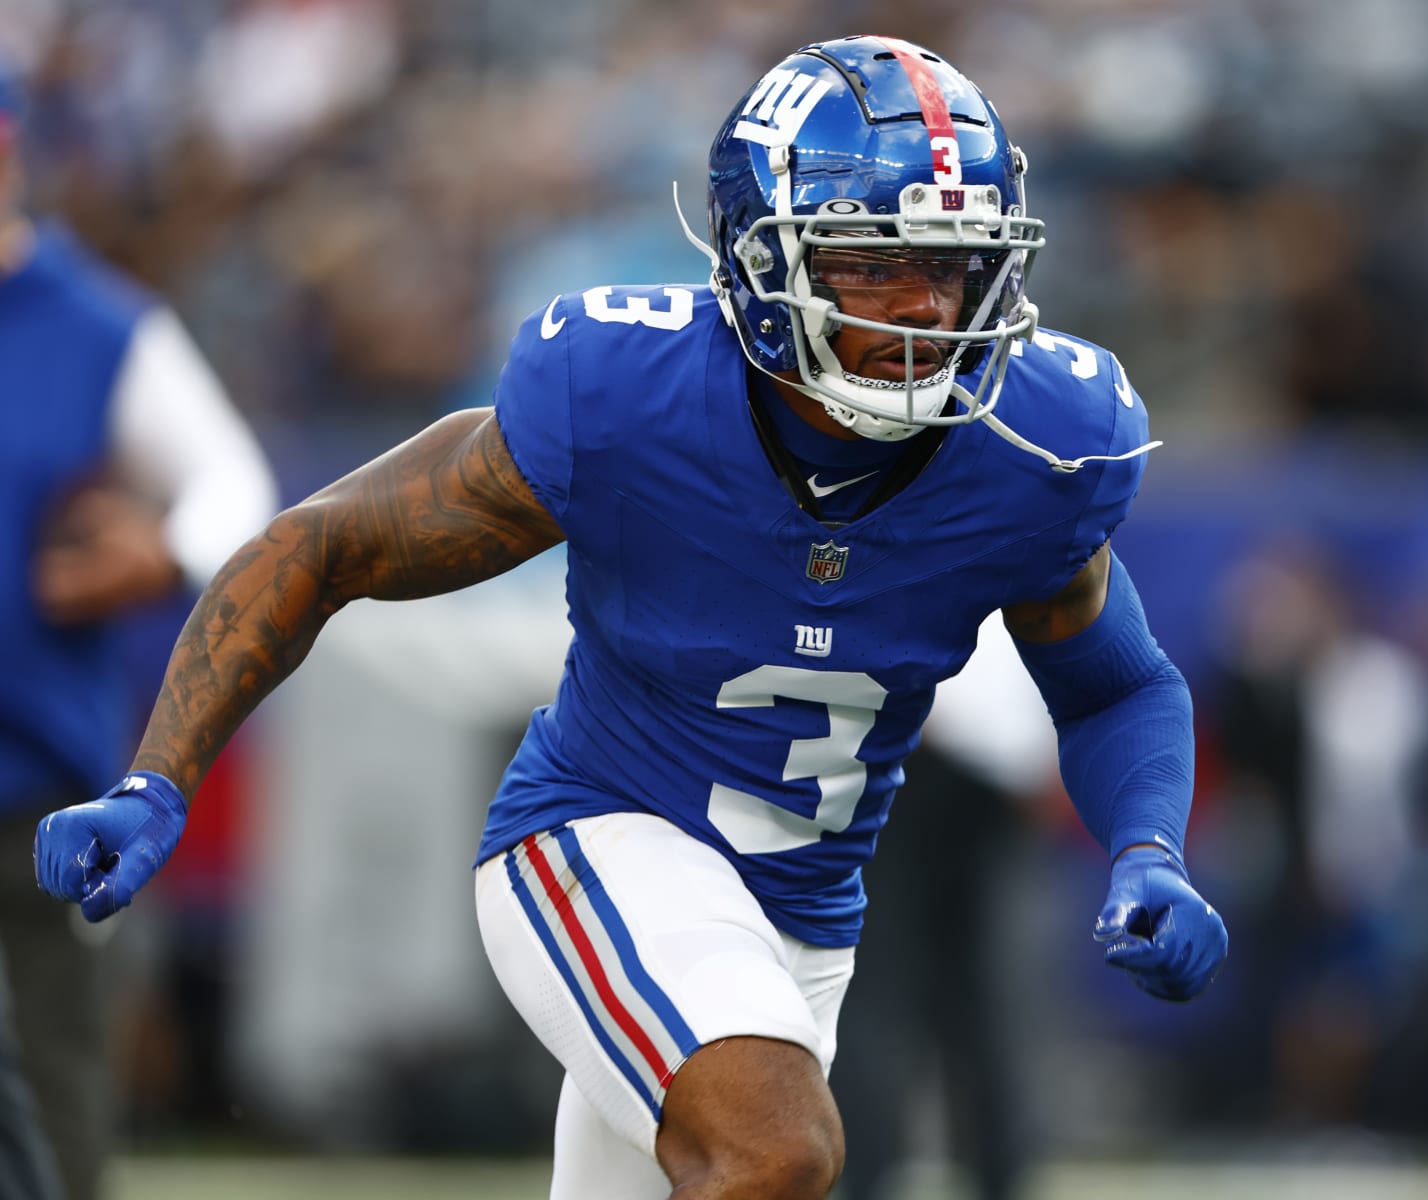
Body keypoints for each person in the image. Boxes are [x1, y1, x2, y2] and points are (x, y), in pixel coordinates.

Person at [33, 36, 1228, 1198]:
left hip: (806, 918)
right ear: (762, 256)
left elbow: (1115, 681)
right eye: (874, 264)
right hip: (601, 836)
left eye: (953, 265)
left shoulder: (1037, 444)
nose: (924, 307)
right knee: (777, 1151)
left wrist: (1148, 849)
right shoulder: (627, 397)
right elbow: (324, 546)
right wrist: (157, 779)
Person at [0, 56, 278, 1200]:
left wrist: (160, 555)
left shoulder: (94, 325)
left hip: (29, 782)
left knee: (48, 1102)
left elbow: (233, 487)